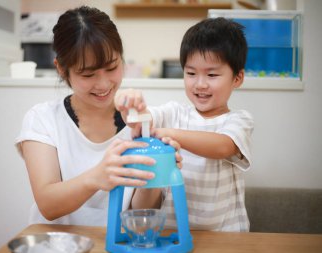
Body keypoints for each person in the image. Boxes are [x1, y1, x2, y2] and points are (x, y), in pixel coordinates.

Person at [15, 6, 179, 226]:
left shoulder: (141, 120)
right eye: (88, 74)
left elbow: (142, 213)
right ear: (62, 70)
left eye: (112, 68)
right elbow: (48, 205)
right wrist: (97, 177)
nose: (103, 84)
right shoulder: (43, 119)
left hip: (118, 245)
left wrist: (155, 173)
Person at [115, 17, 254, 232]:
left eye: (212, 74)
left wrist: (169, 133)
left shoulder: (238, 120)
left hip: (226, 236)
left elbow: (222, 146)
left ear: (237, 78)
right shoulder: (175, 112)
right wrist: (129, 105)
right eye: (191, 73)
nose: (200, 84)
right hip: (174, 234)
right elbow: (143, 121)